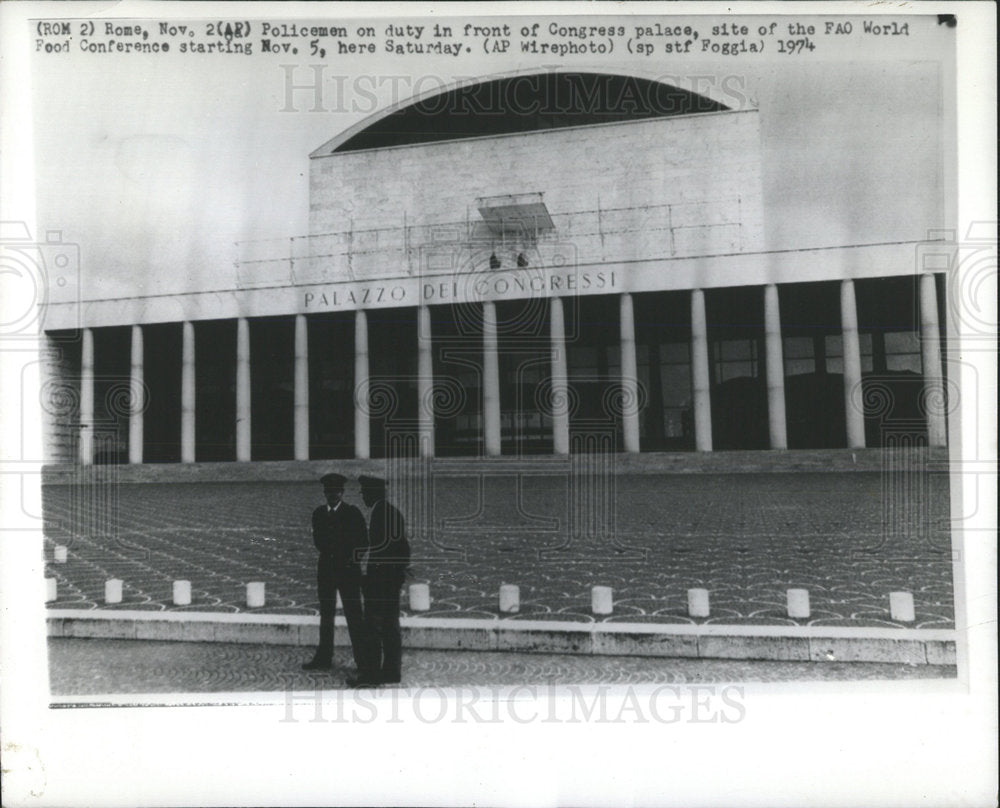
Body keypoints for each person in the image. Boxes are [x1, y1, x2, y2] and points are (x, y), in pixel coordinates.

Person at [302, 472, 369, 675]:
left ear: (342, 493)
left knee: (354, 615)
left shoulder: (352, 513)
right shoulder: (319, 514)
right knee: (326, 616)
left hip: (348, 571)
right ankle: (323, 657)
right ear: (325, 493)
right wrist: (341, 549)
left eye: (336, 492)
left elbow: (363, 542)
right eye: (329, 492)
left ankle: (363, 660)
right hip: (326, 571)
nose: (333, 495)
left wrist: (349, 561)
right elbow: (319, 542)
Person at [351, 474, 410, 687]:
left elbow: (381, 553)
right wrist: (398, 575)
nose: (363, 497)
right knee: (391, 626)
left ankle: (371, 674)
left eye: (365, 493)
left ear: (373, 493)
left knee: (373, 628)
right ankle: (392, 671)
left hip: (380, 582)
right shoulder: (392, 512)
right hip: (391, 581)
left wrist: (370, 579)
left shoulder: (379, 515)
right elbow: (403, 549)